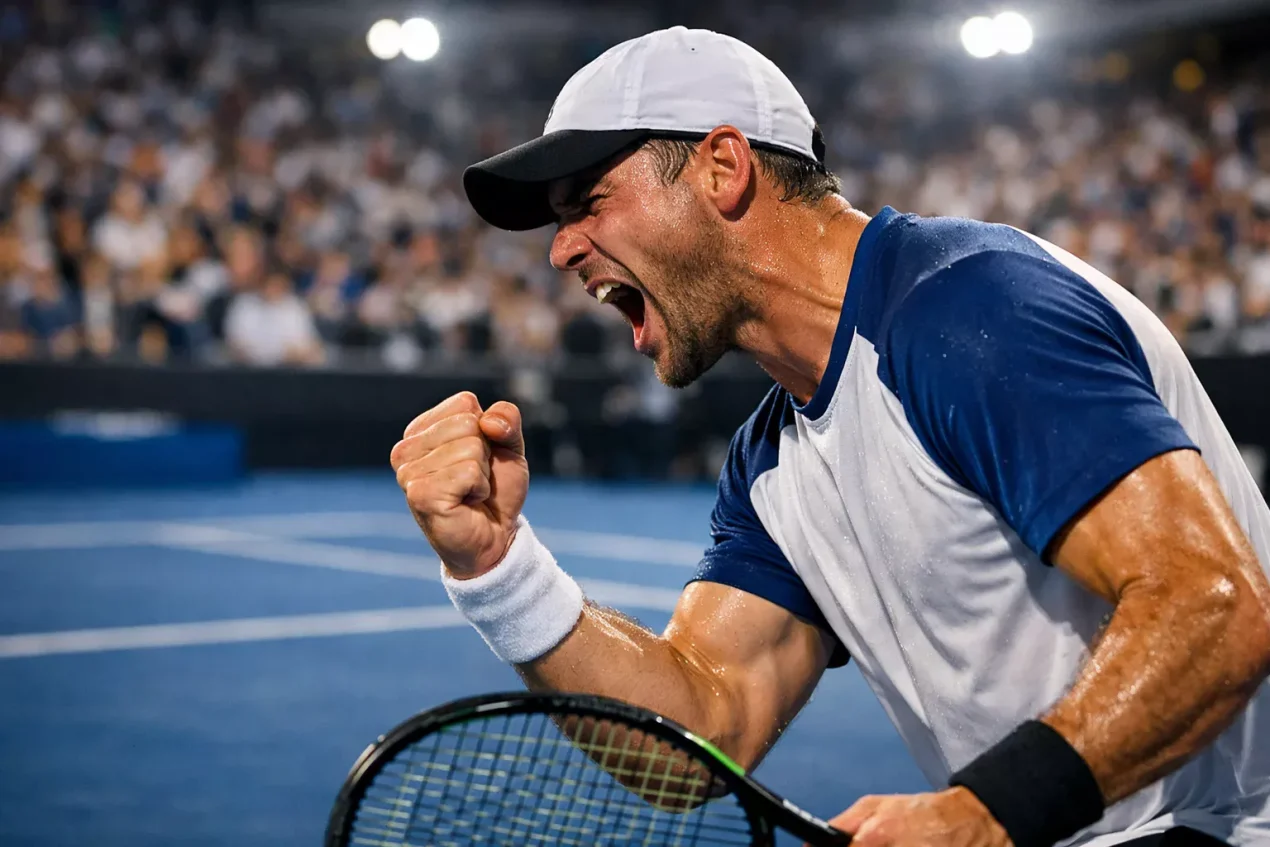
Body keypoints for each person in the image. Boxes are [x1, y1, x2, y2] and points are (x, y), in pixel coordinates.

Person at [389, 27, 1270, 847]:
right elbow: (707, 725)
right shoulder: (772, 454)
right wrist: (499, 569)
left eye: (589, 202)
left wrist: (985, 813)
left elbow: (1214, 603)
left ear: (722, 167)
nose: (561, 250)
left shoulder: (970, 306)